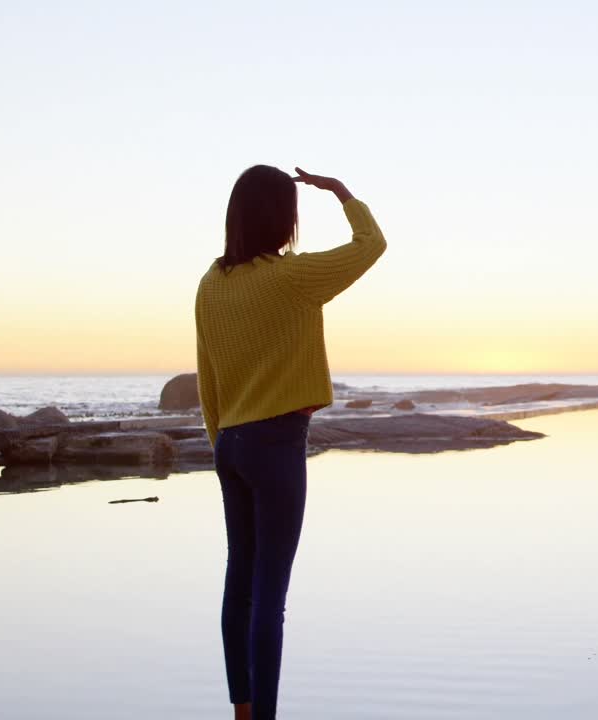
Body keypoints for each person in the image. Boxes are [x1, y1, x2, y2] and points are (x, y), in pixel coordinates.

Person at [195, 165, 387, 720]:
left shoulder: (210, 283)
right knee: (269, 594)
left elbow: (207, 378)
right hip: (276, 445)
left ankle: (243, 709)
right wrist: (342, 193)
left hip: (230, 444)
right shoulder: (292, 277)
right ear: (283, 218)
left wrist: (222, 446)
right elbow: (371, 244)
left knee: (240, 583)